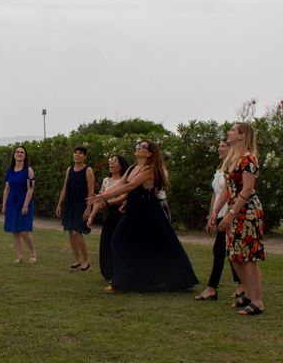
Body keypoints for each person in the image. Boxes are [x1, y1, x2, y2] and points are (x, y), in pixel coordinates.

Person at [89, 140, 198, 292]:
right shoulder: (134, 167)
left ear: (150, 153)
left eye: (143, 147)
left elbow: (131, 186)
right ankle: (126, 281)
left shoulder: (150, 168)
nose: (138, 147)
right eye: (138, 145)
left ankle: (123, 283)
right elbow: (121, 183)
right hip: (134, 208)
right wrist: (101, 195)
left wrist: (106, 195)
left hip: (147, 210)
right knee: (120, 241)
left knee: (150, 244)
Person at [215, 122, 265, 316]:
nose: (229, 132)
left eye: (233, 130)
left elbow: (247, 189)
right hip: (235, 211)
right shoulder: (233, 159)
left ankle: (257, 301)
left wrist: (231, 213)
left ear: (242, 135)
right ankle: (247, 293)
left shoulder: (248, 159)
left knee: (248, 256)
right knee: (235, 254)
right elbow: (227, 189)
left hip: (247, 211)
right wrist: (215, 211)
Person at [195, 138, 241, 301]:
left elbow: (234, 193)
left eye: (223, 146)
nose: (220, 148)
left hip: (231, 213)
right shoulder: (220, 170)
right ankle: (240, 284)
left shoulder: (234, 167)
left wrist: (229, 213)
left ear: (231, 148)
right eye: (219, 146)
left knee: (221, 249)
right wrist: (211, 215)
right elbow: (216, 194)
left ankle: (212, 288)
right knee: (226, 250)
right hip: (220, 213)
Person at [87, 155, 129, 281]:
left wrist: (109, 202)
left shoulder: (126, 180)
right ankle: (109, 272)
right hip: (110, 214)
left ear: (121, 165)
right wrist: (91, 216)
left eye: (115, 161)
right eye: (110, 161)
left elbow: (124, 196)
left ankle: (120, 271)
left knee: (118, 242)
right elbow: (99, 200)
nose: (111, 163)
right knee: (106, 241)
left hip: (122, 213)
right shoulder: (106, 180)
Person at [55, 146, 94, 271]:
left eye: (80, 153)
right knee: (70, 232)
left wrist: (88, 209)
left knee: (77, 232)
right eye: (75, 153)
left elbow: (91, 191)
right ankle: (77, 259)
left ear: (85, 156)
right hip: (69, 204)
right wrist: (59, 204)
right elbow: (64, 188)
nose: (77, 155)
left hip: (81, 205)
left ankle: (86, 261)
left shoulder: (88, 170)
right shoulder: (69, 170)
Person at [2, 146, 37, 264]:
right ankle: (19, 256)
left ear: (25, 155)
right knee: (15, 230)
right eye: (17, 152)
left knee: (23, 231)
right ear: (14, 154)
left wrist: (26, 205)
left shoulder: (29, 170)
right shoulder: (9, 171)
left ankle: (33, 253)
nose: (19, 153)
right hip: (12, 203)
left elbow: (30, 189)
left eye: (22, 152)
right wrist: (4, 205)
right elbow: (7, 189)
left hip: (24, 202)